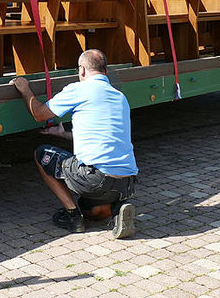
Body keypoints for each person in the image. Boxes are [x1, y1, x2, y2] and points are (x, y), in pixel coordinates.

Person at [11, 49, 138, 239]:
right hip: (127, 182)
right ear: (105, 70)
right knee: (90, 210)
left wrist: (24, 89)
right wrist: (64, 134)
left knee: (42, 153)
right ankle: (117, 209)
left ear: (83, 70)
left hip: (96, 179)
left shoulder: (78, 90)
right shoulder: (120, 97)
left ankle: (72, 215)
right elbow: (105, 135)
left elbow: (39, 114)